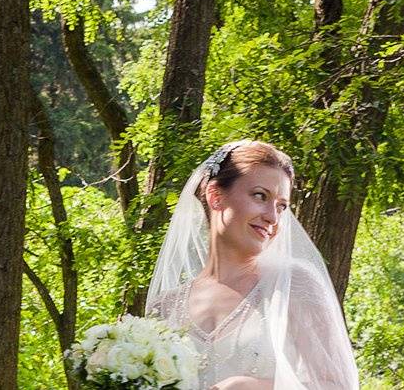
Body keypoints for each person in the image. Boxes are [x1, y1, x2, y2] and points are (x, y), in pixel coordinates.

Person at [145, 140, 359, 390]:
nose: (273, 217)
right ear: (215, 196)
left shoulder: (294, 285)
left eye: (281, 206)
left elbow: (339, 385)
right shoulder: (165, 307)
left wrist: (254, 387)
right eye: (260, 196)